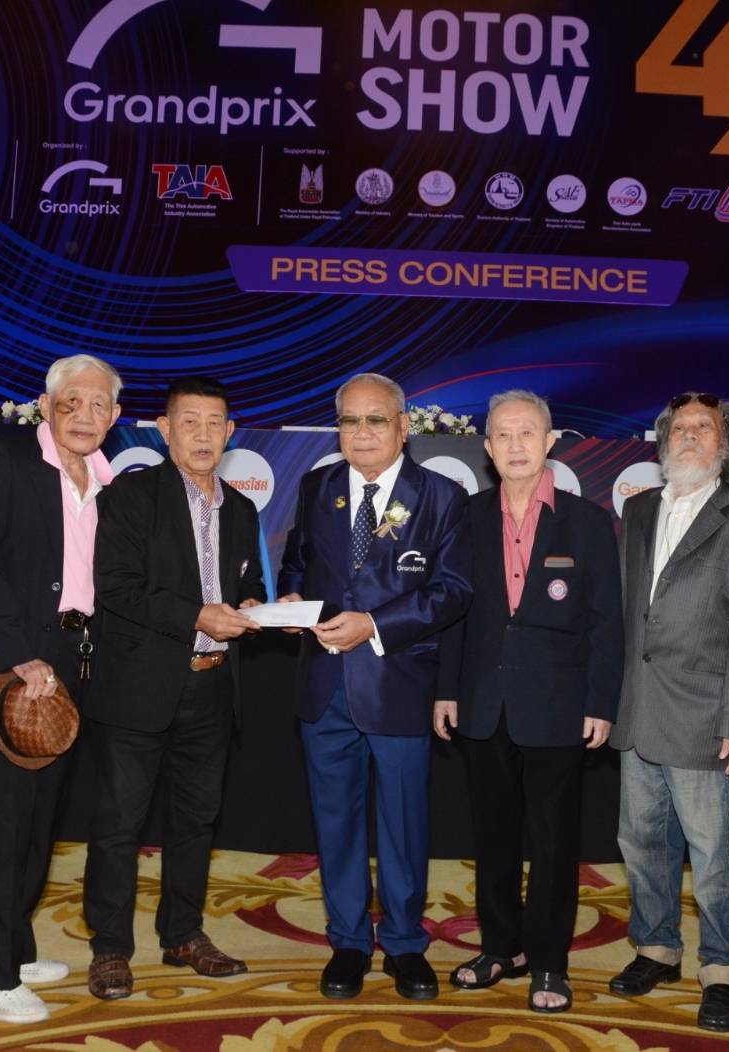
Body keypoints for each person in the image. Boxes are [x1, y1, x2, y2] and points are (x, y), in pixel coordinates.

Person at [277, 372, 472, 1002]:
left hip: (399, 685)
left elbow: (452, 590)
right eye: (349, 421)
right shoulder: (318, 486)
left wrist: (375, 625)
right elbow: (298, 561)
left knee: (403, 825)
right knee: (335, 823)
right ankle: (349, 942)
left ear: (403, 426)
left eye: (376, 420)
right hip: (324, 685)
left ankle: (407, 944)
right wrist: (291, 600)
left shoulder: (442, 496)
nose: (361, 433)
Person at [434, 390, 622, 1013]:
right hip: (483, 702)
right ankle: (500, 948)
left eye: (527, 433)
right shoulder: (466, 516)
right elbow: (453, 610)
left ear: (549, 442)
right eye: (503, 435)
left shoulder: (587, 521)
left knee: (552, 843)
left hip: (558, 706)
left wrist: (600, 702)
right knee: (492, 836)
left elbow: (606, 622)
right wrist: (447, 689)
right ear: (487, 448)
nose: (515, 445)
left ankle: (548, 962)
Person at [83, 377, 266, 1001]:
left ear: (230, 432)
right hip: (139, 688)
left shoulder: (241, 509)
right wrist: (198, 615)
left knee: (196, 823)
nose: (203, 435)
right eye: (190, 422)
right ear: (165, 430)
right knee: (119, 825)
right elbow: (116, 586)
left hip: (213, 688)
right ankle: (110, 947)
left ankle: (183, 933)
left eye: (215, 423)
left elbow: (246, 587)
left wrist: (259, 606)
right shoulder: (130, 496)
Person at [0, 354, 122, 1022]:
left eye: (98, 404)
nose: (84, 416)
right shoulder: (9, 462)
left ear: (115, 415)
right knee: (5, 822)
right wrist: (16, 657)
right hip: (21, 659)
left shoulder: (109, 479)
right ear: (46, 406)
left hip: (76, 659)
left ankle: (15, 948)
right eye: (71, 402)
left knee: (41, 820)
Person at [607, 392, 729, 1033]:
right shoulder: (638, 509)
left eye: (705, 427)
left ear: (725, 446)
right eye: (680, 427)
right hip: (638, 708)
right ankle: (657, 948)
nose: (691, 436)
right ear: (662, 441)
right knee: (641, 841)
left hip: (706, 714)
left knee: (714, 852)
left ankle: (724, 967)